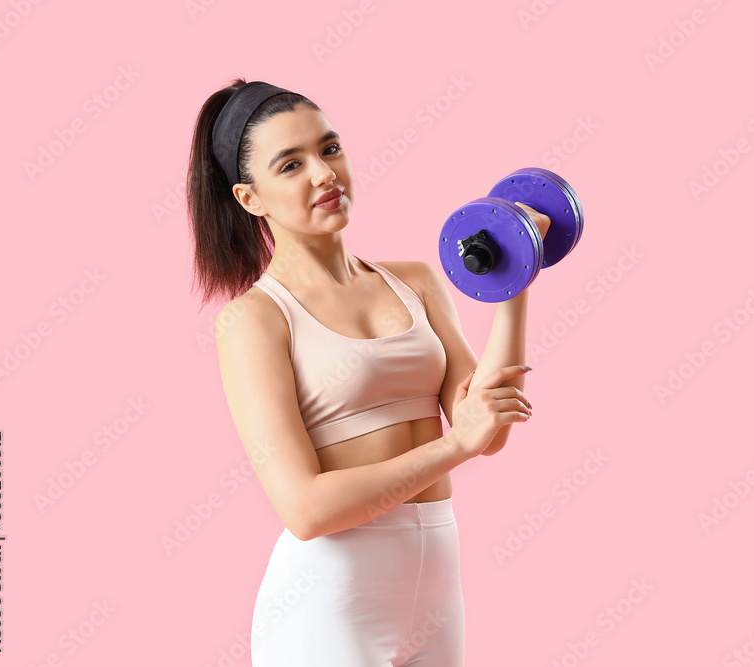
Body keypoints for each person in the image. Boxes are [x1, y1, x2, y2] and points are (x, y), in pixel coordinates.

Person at [187, 78, 547, 665]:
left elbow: (490, 427)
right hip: (327, 604)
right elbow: (306, 509)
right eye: (291, 165)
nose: (324, 174)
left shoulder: (417, 282)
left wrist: (517, 270)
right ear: (250, 198)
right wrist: (455, 445)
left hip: (434, 589)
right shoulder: (254, 321)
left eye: (329, 149)